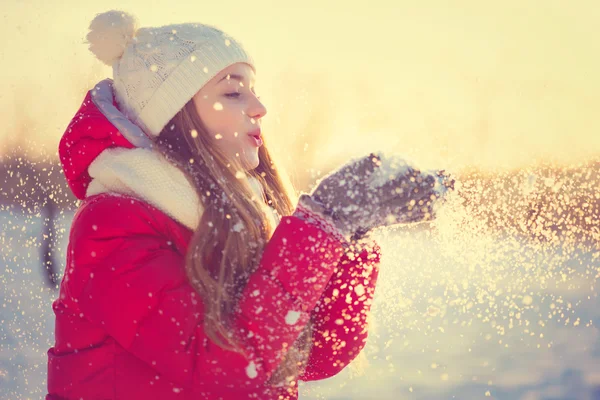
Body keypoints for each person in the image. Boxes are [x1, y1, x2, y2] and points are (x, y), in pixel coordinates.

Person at [46, 10, 453, 400]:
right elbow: (228, 368)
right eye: (233, 91)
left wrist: (352, 235)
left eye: (254, 91)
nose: (259, 107)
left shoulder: (239, 220)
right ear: (174, 114)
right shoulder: (113, 225)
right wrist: (323, 221)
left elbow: (316, 353)